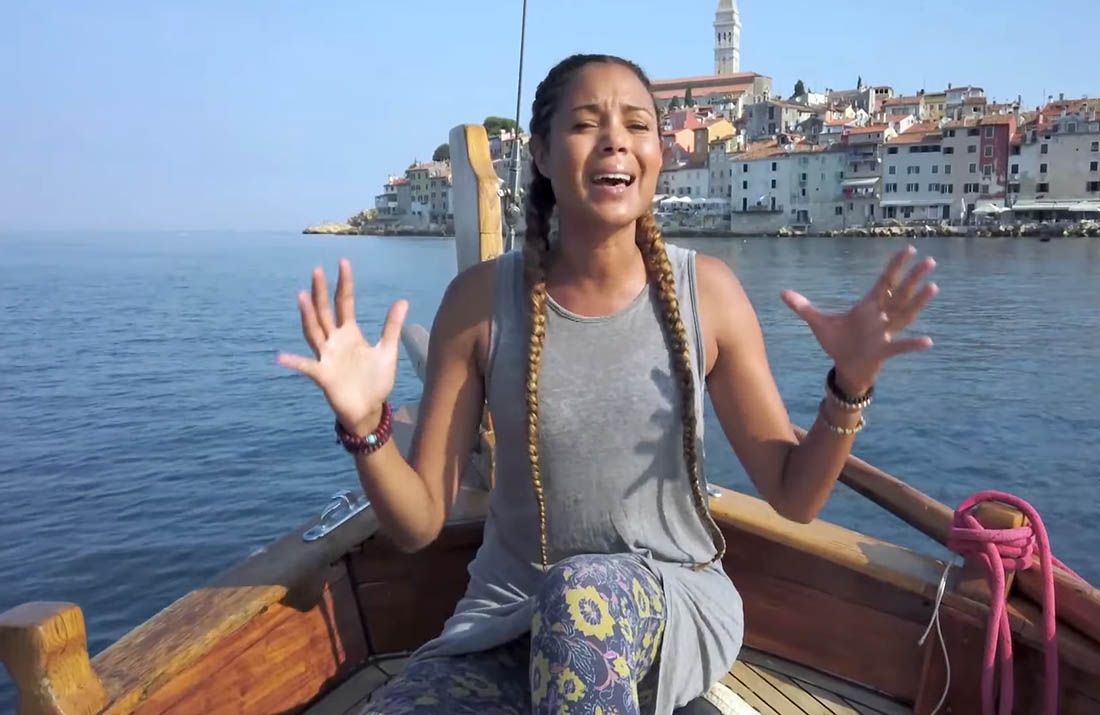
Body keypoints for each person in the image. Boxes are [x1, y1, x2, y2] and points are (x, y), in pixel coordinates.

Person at [277, 53, 937, 715]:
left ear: (658, 153)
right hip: (509, 617)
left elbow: (795, 494)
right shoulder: (478, 303)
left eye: (637, 125)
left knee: (579, 597)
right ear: (540, 154)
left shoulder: (708, 294)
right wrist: (366, 425)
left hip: (670, 605)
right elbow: (419, 522)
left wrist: (849, 382)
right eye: (586, 123)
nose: (616, 140)